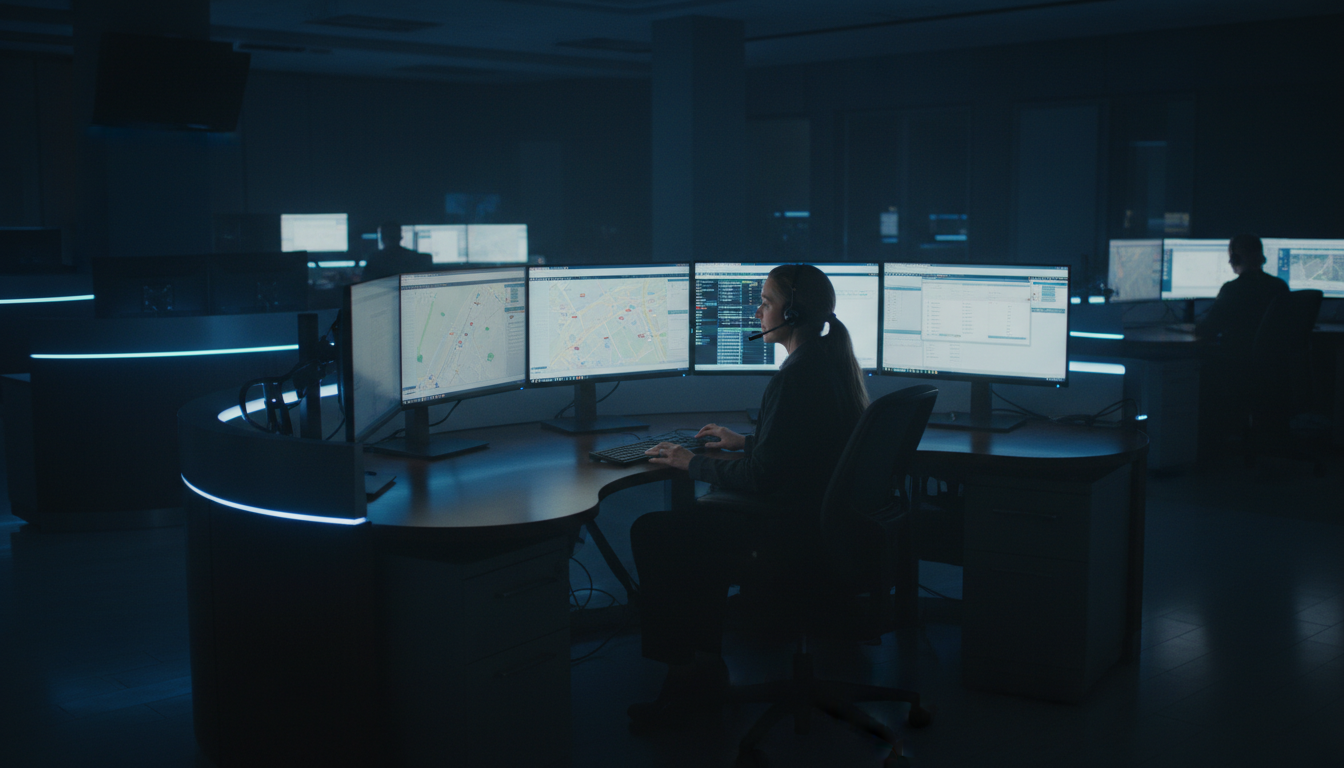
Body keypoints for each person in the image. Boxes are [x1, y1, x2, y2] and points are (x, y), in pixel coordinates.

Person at [626, 263, 869, 726]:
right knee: (696, 524)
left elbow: (762, 477)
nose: (757, 311)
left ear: (791, 312)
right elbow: (807, 449)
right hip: (814, 522)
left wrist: (689, 461)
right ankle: (703, 662)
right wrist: (747, 442)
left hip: (788, 534)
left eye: (765, 301)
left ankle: (688, 677)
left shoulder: (794, 377)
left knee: (658, 532)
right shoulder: (825, 362)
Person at [1194, 234, 1289, 353]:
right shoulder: (1280, 285)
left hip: (1237, 363)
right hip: (1273, 362)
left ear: (1235, 259)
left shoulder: (1231, 289)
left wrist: (1196, 326)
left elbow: (1207, 330)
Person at [360, 220, 432, 281]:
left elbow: (364, 283)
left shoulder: (375, 259)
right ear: (401, 237)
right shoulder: (415, 258)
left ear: (382, 239)